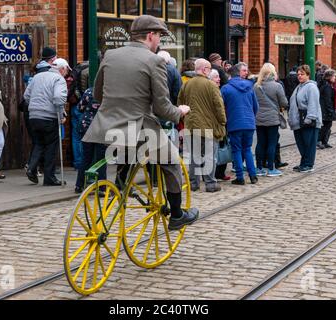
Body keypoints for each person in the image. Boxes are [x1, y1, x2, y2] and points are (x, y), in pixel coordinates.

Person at [82, 14, 199, 230]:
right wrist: (179, 111)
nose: (160, 42)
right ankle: (176, 214)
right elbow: (162, 108)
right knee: (172, 163)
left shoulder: (110, 55)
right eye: (160, 37)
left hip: (106, 126)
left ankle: (121, 182)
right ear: (150, 35)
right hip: (140, 128)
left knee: (126, 153)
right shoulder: (154, 61)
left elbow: (98, 94)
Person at [178, 59, 226, 192]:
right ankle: (210, 183)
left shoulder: (186, 85)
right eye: (209, 69)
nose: (210, 71)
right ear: (204, 69)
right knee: (210, 155)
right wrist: (223, 121)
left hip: (191, 125)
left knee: (194, 156)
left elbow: (180, 103)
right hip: (208, 126)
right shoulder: (211, 85)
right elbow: (219, 106)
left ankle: (194, 183)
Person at [24, 58, 69, 186]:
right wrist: (60, 115)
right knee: (51, 146)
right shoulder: (59, 79)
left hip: (34, 116)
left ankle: (31, 168)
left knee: (39, 143)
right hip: (49, 117)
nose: (66, 74)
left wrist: (35, 106)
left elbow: (26, 96)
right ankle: (49, 178)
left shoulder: (37, 76)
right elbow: (58, 98)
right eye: (66, 70)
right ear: (62, 69)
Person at [221, 62, 259, 185]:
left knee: (236, 150)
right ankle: (253, 176)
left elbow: (221, 107)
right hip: (249, 122)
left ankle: (240, 177)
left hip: (234, 123)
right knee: (247, 149)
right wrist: (251, 117)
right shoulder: (250, 87)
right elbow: (255, 106)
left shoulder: (226, 88)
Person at [254, 63, 288, 177]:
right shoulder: (277, 86)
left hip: (259, 119)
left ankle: (259, 168)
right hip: (272, 119)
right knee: (272, 144)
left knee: (260, 143)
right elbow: (284, 103)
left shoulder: (256, 86)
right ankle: (271, 168)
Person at [288, 65, 322, 173]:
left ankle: (309, 164)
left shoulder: (311, 87)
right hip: (299, 121)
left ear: (308, 74)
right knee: (301, 143)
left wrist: (310, 118)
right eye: (298, 74)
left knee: (309, 144)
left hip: (308, 121)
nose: (299, 76)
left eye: (302, 74)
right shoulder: (299, 87)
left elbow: (313, 103)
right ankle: (304, 162)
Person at [74, 87, 106, 193]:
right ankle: (102, 188)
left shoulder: (89, 91)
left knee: (86, 158)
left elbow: (80, 107)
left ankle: (79, 185)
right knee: (101, 159)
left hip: (86, 126)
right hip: (102, 127)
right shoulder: (109, 91)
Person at [317, 69, 336, 149]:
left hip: (325, 109)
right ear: (329, 77)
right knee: (326, 126)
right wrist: (330, 111)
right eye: (334, 76)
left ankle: (324, 141)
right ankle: (320, 141)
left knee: (327, 125)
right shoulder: (327, 86)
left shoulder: (327, 85)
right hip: (325, 110)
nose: (335, 78)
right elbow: (327, 100)